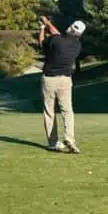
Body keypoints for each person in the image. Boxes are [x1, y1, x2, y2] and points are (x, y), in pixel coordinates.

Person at [39, 16, 85, 154]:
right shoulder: (77, 46)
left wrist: (42, 28)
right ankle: (69, 138)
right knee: (67, 111)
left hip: (49, 80)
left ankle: (53, 143)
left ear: (70, 28)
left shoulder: (56, 40)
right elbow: (57, 34)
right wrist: (48, 24)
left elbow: (42, 42)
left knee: (49, 111)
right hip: (65, 80)